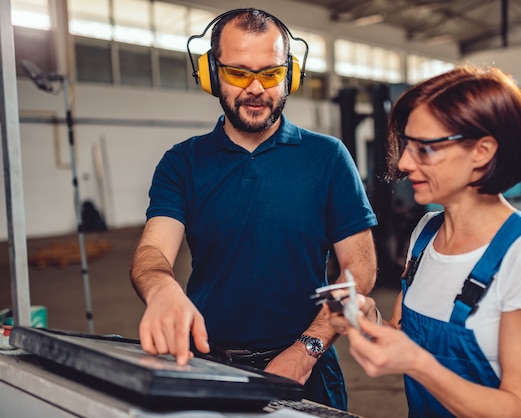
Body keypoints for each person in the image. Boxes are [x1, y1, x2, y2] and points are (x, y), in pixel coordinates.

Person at [129, 8, 377, 410]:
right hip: (207, 365)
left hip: (307, 370)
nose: (257, 87)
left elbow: (359, 270)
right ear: (211, 73)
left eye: (271, 73)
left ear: (290, 75)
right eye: (239, 73)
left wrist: (306, 350)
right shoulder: (182, 162)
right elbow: (152, 252)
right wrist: (161, 289)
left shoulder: (328, 157)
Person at [327, 65, 521, 417]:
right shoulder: (425, 235)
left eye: (424, 149)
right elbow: (403, 339)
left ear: (482, 151)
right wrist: (366, 318)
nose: (406, 163)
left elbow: (519, 408)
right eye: (406, 146)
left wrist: (420, 365)